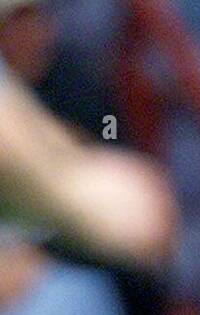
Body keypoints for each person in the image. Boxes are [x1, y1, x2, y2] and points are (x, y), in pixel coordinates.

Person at [0, 41, 176, 269]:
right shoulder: (17, 101)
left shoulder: (75, 79)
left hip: (104, 170)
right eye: (12, 27)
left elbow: (108, 129)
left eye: (30, 21)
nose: (26, 36)